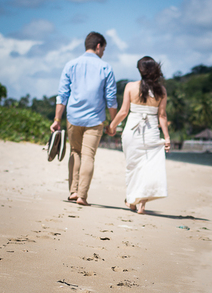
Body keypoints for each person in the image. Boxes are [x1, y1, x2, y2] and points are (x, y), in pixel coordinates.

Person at [51, 32, 117, 206]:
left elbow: (62, 95)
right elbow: (111, 98)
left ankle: (73, 191)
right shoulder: (106, 68)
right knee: (89, 156)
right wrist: (113, 122)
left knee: (75, 152)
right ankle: (82, 196)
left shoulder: (71, 65)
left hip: (73, 117)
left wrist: (57, 119)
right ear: (98, 46)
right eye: (104, 48)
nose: (103, 52)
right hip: (95, 120)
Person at [107, 56, 170, 214]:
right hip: (152, 132)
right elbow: (162, 116)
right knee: (148, 167)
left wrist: (112, 126)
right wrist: (167, 137)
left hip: (133, 131)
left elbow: (123, 112)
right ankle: (142, 203)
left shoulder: (130, 86)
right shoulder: (161, 90)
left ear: (140, 70)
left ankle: (131, 200)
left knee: (132, 166)